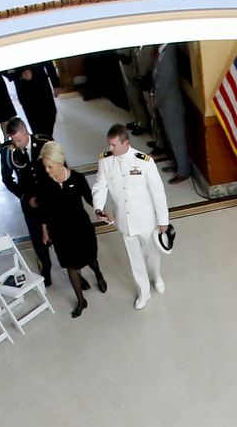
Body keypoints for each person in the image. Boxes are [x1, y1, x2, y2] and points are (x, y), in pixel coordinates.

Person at [92, 124, 171, 311]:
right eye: (109, 145)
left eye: (114, 145)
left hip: (145, 220)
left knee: (151, 254)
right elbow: (99, 187)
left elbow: (158, 192)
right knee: (135, 259)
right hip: (124, 222)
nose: (110, 149)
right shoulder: (105, 161)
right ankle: (143, 291)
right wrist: (98, 208)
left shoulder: (144, 161)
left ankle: (157, 276)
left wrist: (163, 221)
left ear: (125, 142)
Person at [36, 141, 109, 317]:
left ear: (60, 163)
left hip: (80, 228)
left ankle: (98, 275)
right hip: (60, 232)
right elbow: (44, 208)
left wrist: (101, 211)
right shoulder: (45, 182)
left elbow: (90, 199)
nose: (46, 170)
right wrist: (45, 230)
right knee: (70, 266)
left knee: (90, 258)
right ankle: (80, 300)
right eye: (45, 166)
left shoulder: (77, 179)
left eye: (50, 166)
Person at [0, 118, 54, 284]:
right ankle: (46, 267)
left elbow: (60, 165)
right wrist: (25, 197)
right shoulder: (7, 151)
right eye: (14, 140)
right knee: (37, 237)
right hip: (30, 199)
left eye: (19, 140)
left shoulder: (45, 142)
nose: (17, 144)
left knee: (59, 232)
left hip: (50, 196)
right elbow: (7, 179)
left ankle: (74, 271)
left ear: (25, 132)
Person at [150, 43, 195, 184]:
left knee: (177, 139)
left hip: (171, 105)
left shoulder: (169, 53)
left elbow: (164, 82)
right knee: (171, 138)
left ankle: (183, 171)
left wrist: (155, 100)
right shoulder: (163, 51)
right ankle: (176, 165)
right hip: (166, 104)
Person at [4, 62, 58, 141]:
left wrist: (55, 83)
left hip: (42, 82)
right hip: (25, 88)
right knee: (36, 122)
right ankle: (44, 144)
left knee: (51, 113)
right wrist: (19, 75)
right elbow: (3, 68)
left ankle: (45, 141)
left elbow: (47, 60)